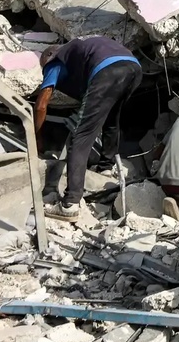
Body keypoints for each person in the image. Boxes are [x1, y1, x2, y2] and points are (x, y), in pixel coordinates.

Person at [35, 37, 142, 221]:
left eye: (45, 67)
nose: (47, 72)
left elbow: (41, 105)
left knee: (81, 136)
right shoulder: (84, 48)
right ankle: (106, 168)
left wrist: (37, 138)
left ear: (50, 56)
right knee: (111, 118)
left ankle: (70, 204)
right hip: (134, 69)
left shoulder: (55, 61)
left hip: (107, 72)